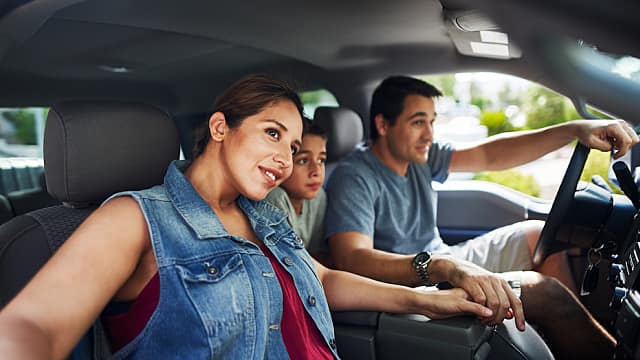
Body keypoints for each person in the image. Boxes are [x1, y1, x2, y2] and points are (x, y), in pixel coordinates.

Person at [0, 74, 512, 359]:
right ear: (221, 127)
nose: (286, 160)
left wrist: (431, 297)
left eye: (294, 146)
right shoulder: (136, 218)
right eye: (272, 134)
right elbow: (32, 329)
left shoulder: (266, 212)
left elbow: (325, 279)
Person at [325, 75, 637, 359]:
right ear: (383, 125)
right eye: (418, 122)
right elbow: (351, 258)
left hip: (444, 256)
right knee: (546, 291)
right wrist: (438, 267)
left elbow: (490, 155)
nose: (429, 134)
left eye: (432, 122)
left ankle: (561, 341)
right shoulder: (355, 177)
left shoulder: (419, 156)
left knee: (536, 236)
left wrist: (573, 131)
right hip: (412, 281)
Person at [266, 117, 333, 266]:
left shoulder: (318, 196)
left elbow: (317, 253)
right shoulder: (275, 198)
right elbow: (290, 262)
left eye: (321, 160)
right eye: (303, 161)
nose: (316, 171)